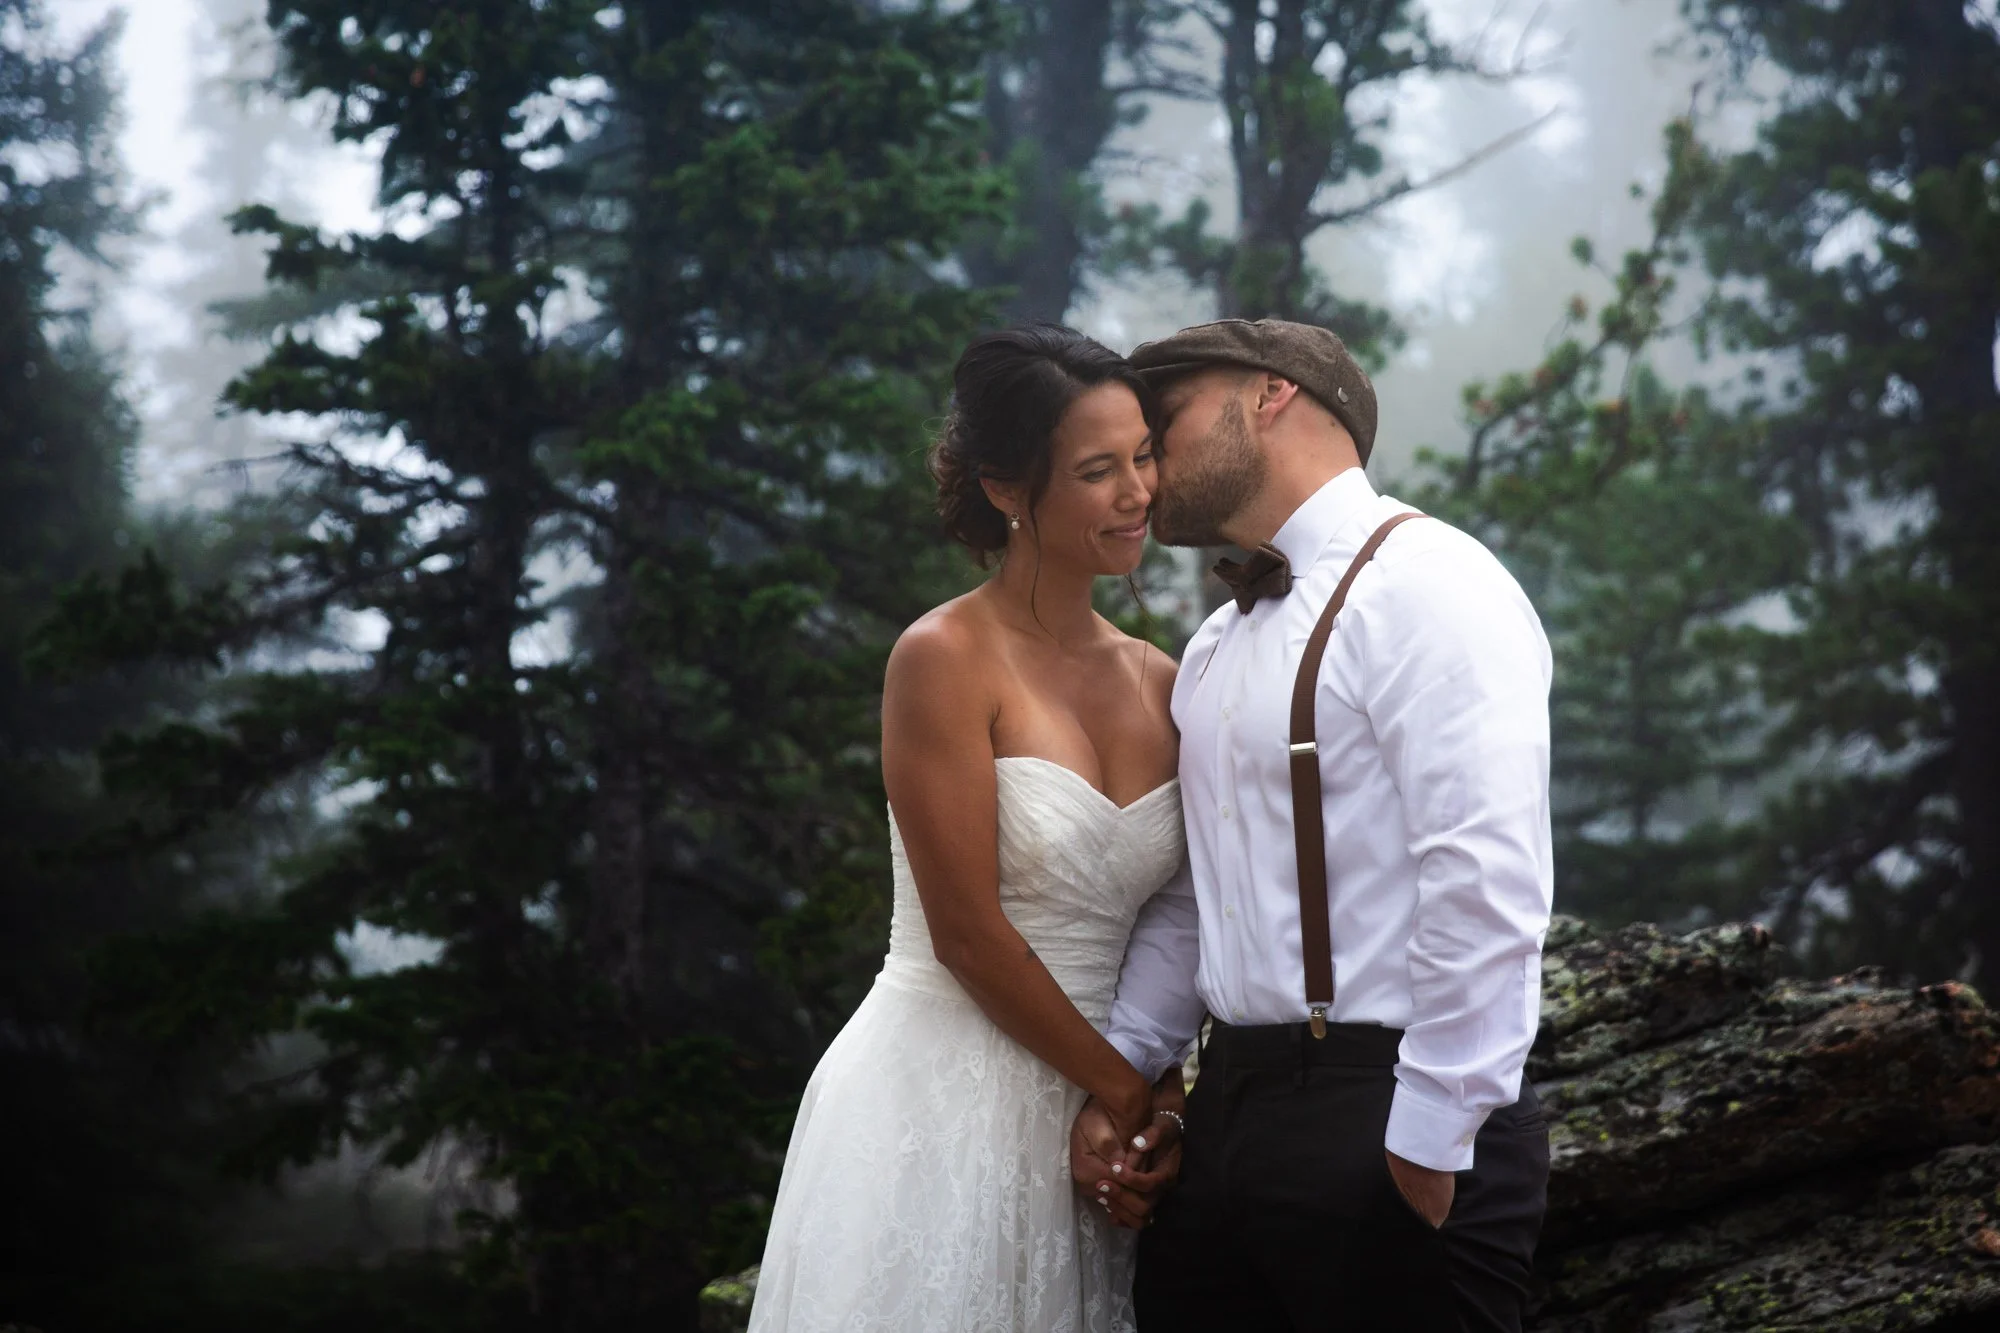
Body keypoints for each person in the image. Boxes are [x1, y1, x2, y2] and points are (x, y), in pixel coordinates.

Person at [1071, 317, 1555, 1332]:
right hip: (1226, 1115)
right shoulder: (1212, 645)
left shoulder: (1431, 583)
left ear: (1270, 392)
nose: (1145, 462)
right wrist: (1127, 1079)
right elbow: (1193, 901)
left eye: (1165, 419)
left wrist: (1428, 1138)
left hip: (1385, 1104)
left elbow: (1484, 877)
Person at [748, 325, 1189, 1333]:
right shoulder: (942, 657)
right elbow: (968, 935)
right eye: (1097, 471)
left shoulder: (1164, 683)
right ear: (1005, 489)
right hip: (939, 1099)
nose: (1136, 493)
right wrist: (1127, 1094)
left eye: (1143, 456)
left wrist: (1156, 1109)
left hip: (1099, 1115)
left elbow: (1177, 926)